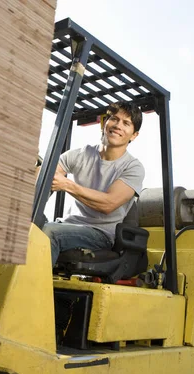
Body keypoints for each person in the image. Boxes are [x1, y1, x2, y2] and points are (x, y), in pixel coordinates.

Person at [43, 101, 145, 266]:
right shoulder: (82, 154)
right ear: (105, 122)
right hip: (67, 225)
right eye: (114, 119)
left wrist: (66, 184)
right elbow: (48, 174)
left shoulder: (133, 167)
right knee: (27, 225)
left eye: (126, 123)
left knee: (48, 232)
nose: (118, 125)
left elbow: (108, 204)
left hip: (100, 234)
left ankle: (31, 290)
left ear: (134, 135)